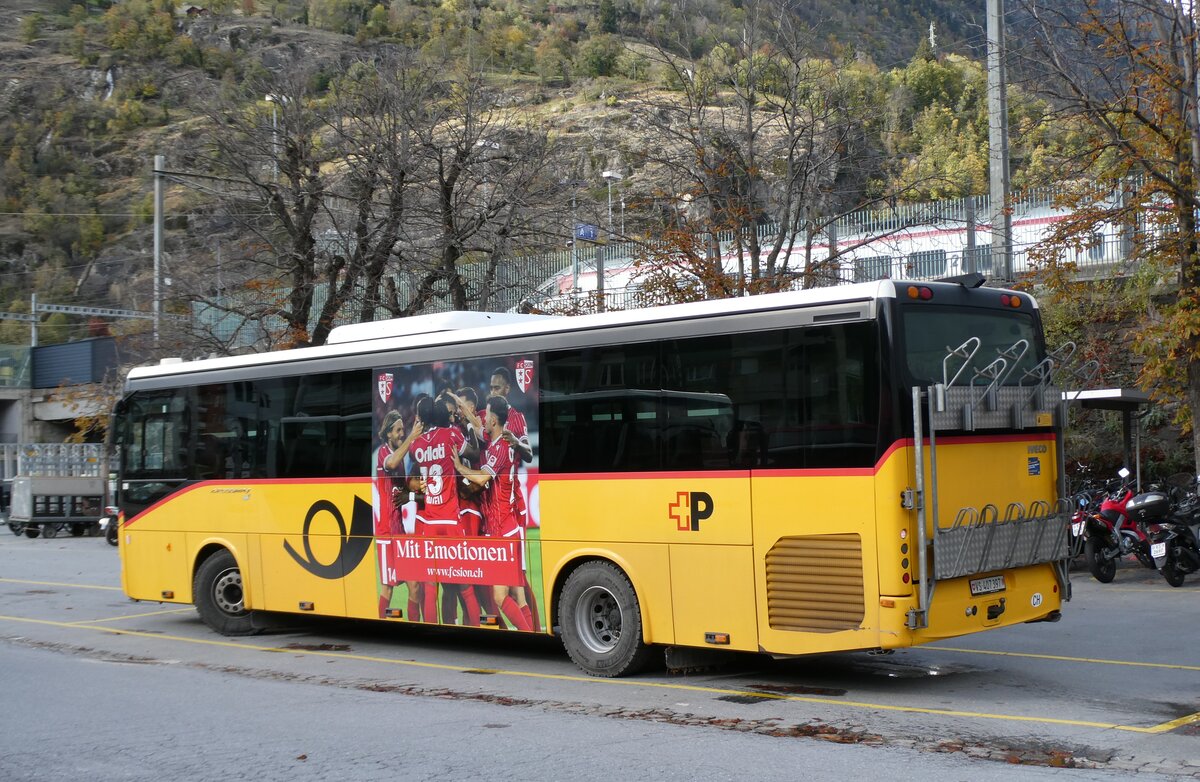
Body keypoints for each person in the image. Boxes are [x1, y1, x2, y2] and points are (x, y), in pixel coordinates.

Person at [452, 394, 532, 631]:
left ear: (494, 420)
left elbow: (483, 476)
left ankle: (526, 636)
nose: (482, 418)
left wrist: (458, 467)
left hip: (502, 530)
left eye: (486, 415)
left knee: (499, 597)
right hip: (509, 527)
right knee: (519, 595)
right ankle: (531, 635)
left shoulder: (500, 448)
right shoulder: (497, 440)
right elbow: (476, 426)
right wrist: (459, 403)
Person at [410, 393, 481, 626]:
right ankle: (476, 630)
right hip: (451, 520)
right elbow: (474, 453)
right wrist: (469, 425)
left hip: (429, 521)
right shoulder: (450, 435)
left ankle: (431, 632)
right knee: (465, 586)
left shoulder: (417, 445)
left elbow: (413, 467)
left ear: (423, 418)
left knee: (430, 586)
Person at [375, 410, 422, 619]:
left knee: (415, 585)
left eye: (403, 430)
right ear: (388, 434)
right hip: (386, 532)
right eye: (398, 430)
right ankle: (381, 625)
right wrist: (412, 437)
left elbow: (403, 486)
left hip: (400, 530)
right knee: (388, 587)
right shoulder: (383, 453)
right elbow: (391, 464)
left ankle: (416, 628)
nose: (402, 433)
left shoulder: (401, 456)